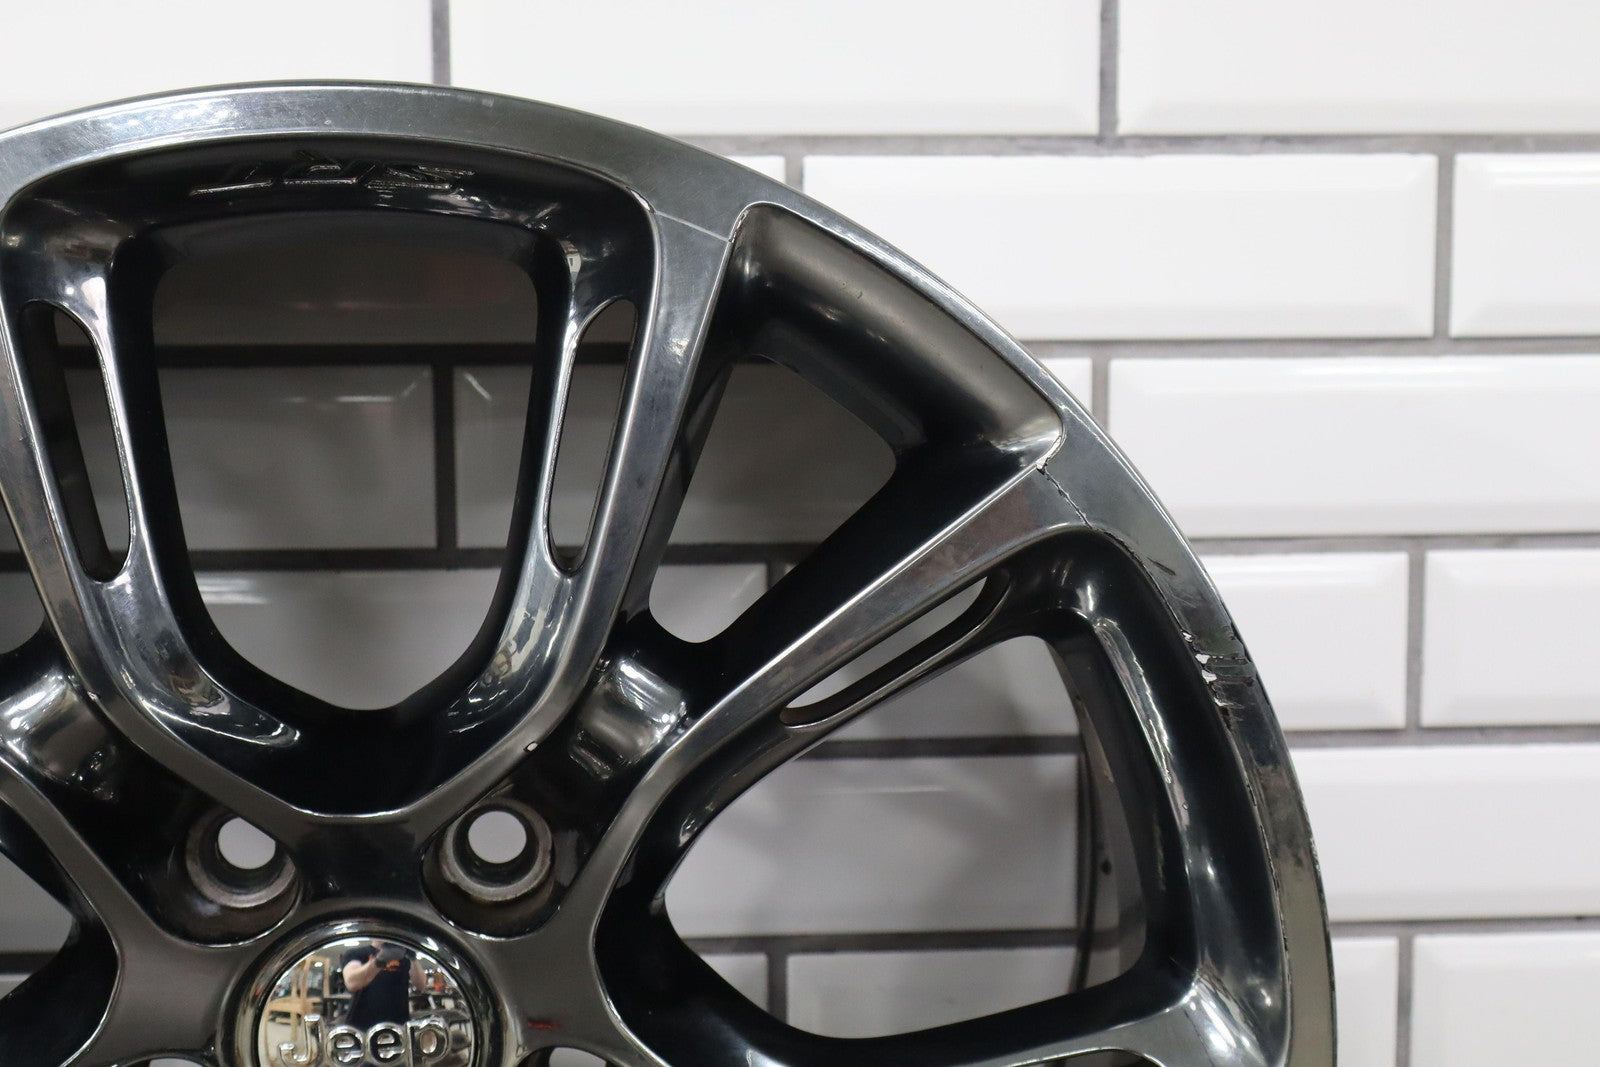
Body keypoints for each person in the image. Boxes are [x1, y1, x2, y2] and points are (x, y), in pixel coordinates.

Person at [340, 940, 425, 1029]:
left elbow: (421, 985)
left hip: (397, 1025)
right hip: (362, 1026)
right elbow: (351, 983)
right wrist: (380, 961)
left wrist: (413, 958)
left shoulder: (404, 956)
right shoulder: (356, 954)